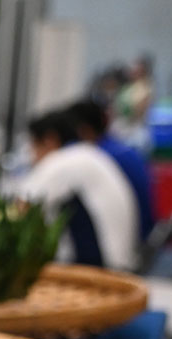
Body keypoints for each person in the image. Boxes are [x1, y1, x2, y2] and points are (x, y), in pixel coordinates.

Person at [15, 110, 139, 271]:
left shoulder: (64, 160)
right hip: (122, 262)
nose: (32, 156)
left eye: (33, 147)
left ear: (49, 140)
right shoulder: (87, 153)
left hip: (102, 270)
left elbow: (21, 207)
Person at [69, 99, 155, 241]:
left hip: (128, 238)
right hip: (142, 232)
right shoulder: (123, 151)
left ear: (83, 130)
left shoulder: (96, 157)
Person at [112, 55, 154, 148]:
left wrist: (128, 110)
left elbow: (140, 110)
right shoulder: (127, 87)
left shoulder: (145, 88)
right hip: (122, 126)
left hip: (135, 128)